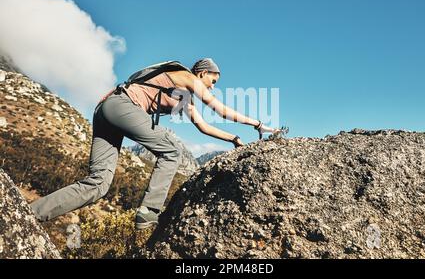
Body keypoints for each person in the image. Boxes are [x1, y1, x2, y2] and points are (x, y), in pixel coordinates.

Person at [31, 58, 279, 229]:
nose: (214, 86)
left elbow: (204, 126)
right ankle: (149, 213)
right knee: (171, 150)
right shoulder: (187, 77)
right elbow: (221, 110)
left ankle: (32, 212)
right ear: (203, 73)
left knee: (98, 184)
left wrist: (234, 139)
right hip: (123, 105)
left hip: (107, 110)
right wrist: (257, 124)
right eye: (214, 81)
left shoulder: (183, 98)